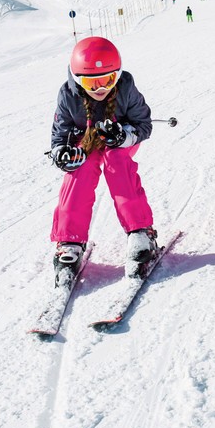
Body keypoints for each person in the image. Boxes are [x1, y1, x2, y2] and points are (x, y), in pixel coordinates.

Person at [49, 37, 157, 281]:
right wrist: (62, 154)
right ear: (78, 80)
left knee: (116, 161)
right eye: (91, 82)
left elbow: (143, 125)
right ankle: (70, 241)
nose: (100, 88)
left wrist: (123, 137)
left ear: (117, 75)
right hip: (85, 143)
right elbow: (59, 136)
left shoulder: (126, 87)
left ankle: (140, 231)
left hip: (118, 142)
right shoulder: (68, 95)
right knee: (81, 168)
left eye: (107, 80)